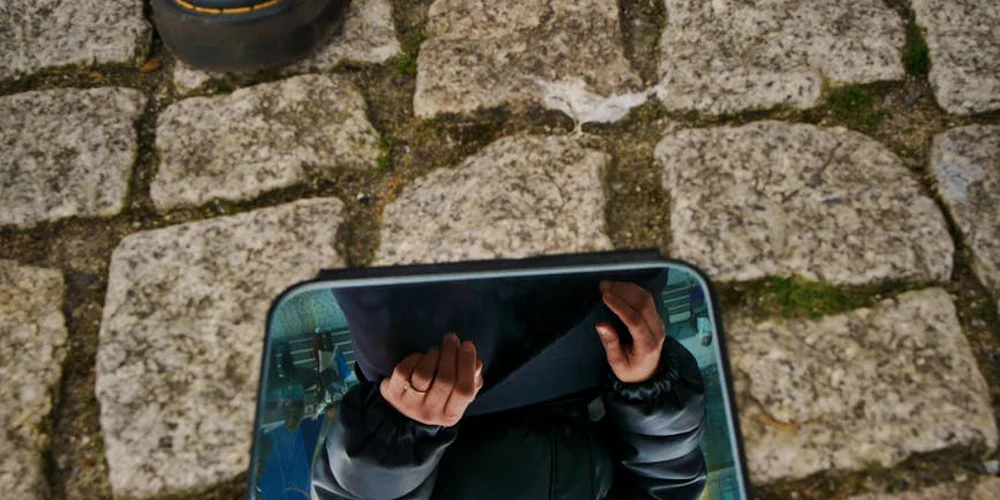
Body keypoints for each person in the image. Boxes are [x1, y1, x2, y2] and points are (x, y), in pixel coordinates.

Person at [312, 281, 707, 499]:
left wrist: (400, 437)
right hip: (586, 363)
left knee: (418, 297)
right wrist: (649, 387)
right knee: (631, 291)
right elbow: (668, 485)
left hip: (435, 391)